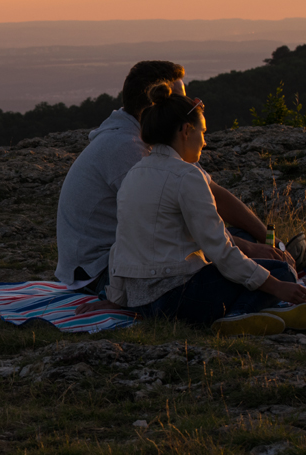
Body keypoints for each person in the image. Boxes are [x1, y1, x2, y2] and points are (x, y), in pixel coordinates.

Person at [105, 83, 306, 335]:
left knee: (247, 255)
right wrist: (278, 286)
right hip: (179, 300)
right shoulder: (186, 176)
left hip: (141, 302)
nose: (205, 141)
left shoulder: (135, 174)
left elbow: (121, 245)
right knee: (281, 270)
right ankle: (238, 315)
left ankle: (262, 312)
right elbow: (220, 250)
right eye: (203, 132)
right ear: (187, 130)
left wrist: (117, 298)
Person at [55, 60, 292, 295]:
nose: (190, 105)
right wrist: (251, 251)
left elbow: (213, 193)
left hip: (145, 252)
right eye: (179, 99)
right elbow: (193, 224)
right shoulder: (125, 148)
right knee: (263, 270)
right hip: (103, 270)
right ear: (155, 104)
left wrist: (268, 241)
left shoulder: (163, 138)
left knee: (246, 241)